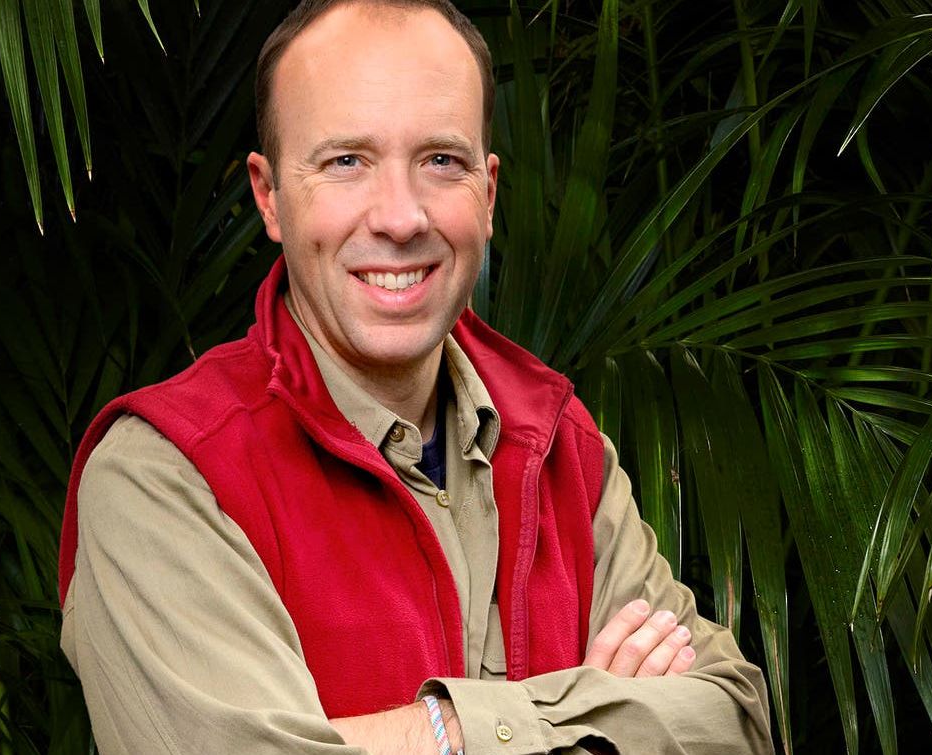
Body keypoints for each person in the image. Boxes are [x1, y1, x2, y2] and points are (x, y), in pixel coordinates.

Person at [58, 1, 774, 752]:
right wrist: (595, 714)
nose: (400, 217)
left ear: (488, 193)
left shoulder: (558, 442)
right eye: (346, 162)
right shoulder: (165, 473)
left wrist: (444, 731)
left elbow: (735, 717)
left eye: (441, 160)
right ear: (269, 197)